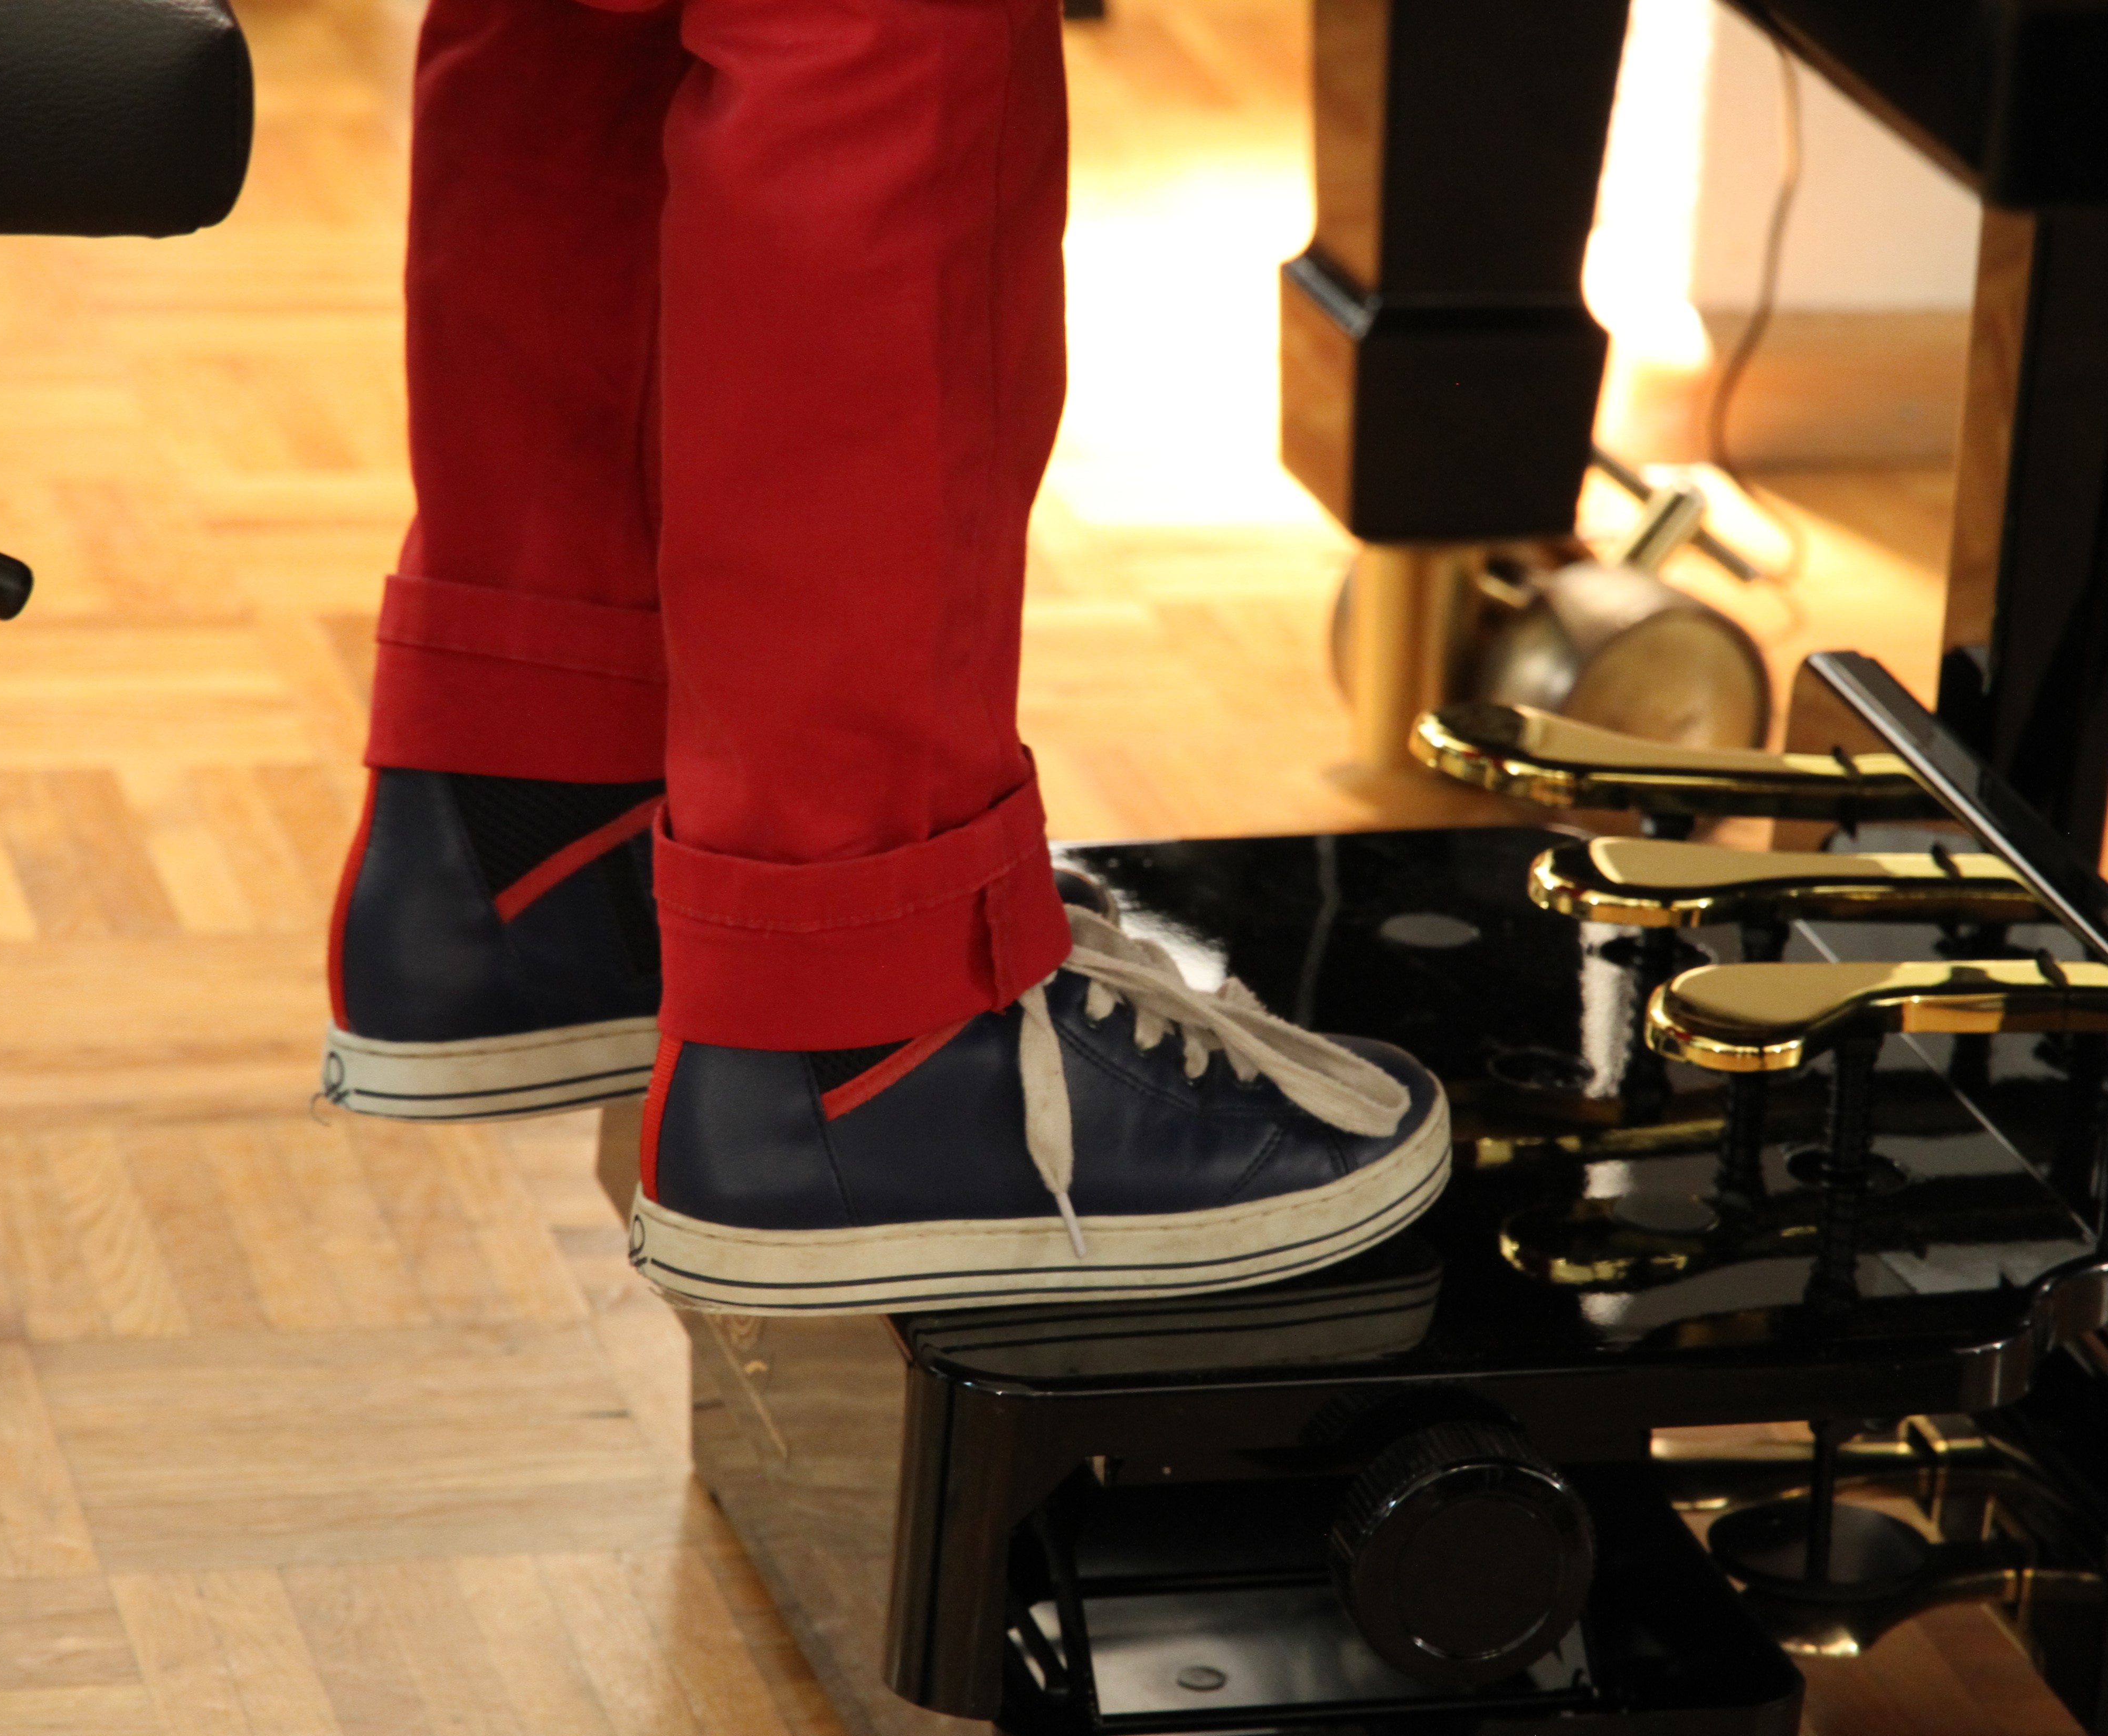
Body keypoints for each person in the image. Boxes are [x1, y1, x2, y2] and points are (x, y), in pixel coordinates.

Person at [318, 0, 1448, 1313]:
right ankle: (864, 1011)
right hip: (853, 1039)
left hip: (520, 825)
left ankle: (546, 817)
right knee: (876, 25)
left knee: (594, 17)